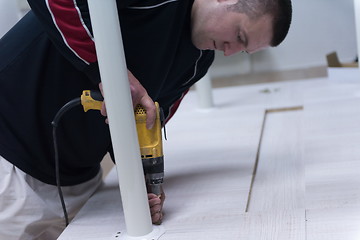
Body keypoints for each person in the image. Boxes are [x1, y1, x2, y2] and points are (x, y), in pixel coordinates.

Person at [0, 0, 292, 239]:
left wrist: (144, 185)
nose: (230, 51)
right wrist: (108, 72)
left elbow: (143, 125)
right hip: (11, 160)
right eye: (239, 36)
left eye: (243, 48)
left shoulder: (197, 62)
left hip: (77, 181)